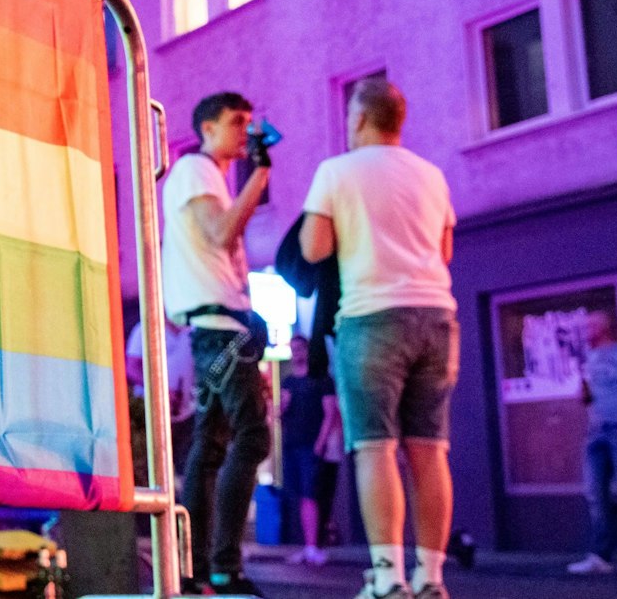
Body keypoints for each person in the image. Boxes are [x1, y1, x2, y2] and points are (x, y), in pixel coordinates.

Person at [298, 78, 457, 599]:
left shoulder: (336, 171)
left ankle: (388, 578)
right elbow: (444, 250)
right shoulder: (431, 175)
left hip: (371, 317)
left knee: (375, 447)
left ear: (361, 118)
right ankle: (431, 577)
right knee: (429, 449)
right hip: (436, 316)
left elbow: (314, 248)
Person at [162, 91, 274, 595]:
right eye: (237, 122)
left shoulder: (205, 176)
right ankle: (222, 567)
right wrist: (261, 173)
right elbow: (221, 233)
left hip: (218, 326)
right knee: (248, 439)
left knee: (210, 448)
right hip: (218, 327)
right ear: (208, 128)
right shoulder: (196, 170)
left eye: (249, 122)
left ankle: (201, 569)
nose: (245, 131)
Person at [566, 310, 617, 576]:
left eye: (590, 325)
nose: (586, 329)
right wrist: (583, 392)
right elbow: (585, 399)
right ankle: (600, 556)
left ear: (604, 326)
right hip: (595, 431)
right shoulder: (588, 358)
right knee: (595, 493)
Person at [282, 333, 343, 567]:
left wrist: (321, 442)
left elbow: (331, 412)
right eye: (293, 349)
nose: (296, 353)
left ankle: (313, 546)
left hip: (311, 445)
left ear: (307, 350)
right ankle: (308, 546)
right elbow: (279, 412)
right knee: (302, 495)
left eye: (300, 348)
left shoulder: (322, 380)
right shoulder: (288, 382)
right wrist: (279, 408)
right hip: (292, 444)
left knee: (312, 495)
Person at [128, 317, 197, 469]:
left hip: (187, 415)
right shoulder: (145, 328)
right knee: (152, 464)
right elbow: (132, 367)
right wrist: (161, 391)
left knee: (184, 466)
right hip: (150, 414)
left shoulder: (193, 330)